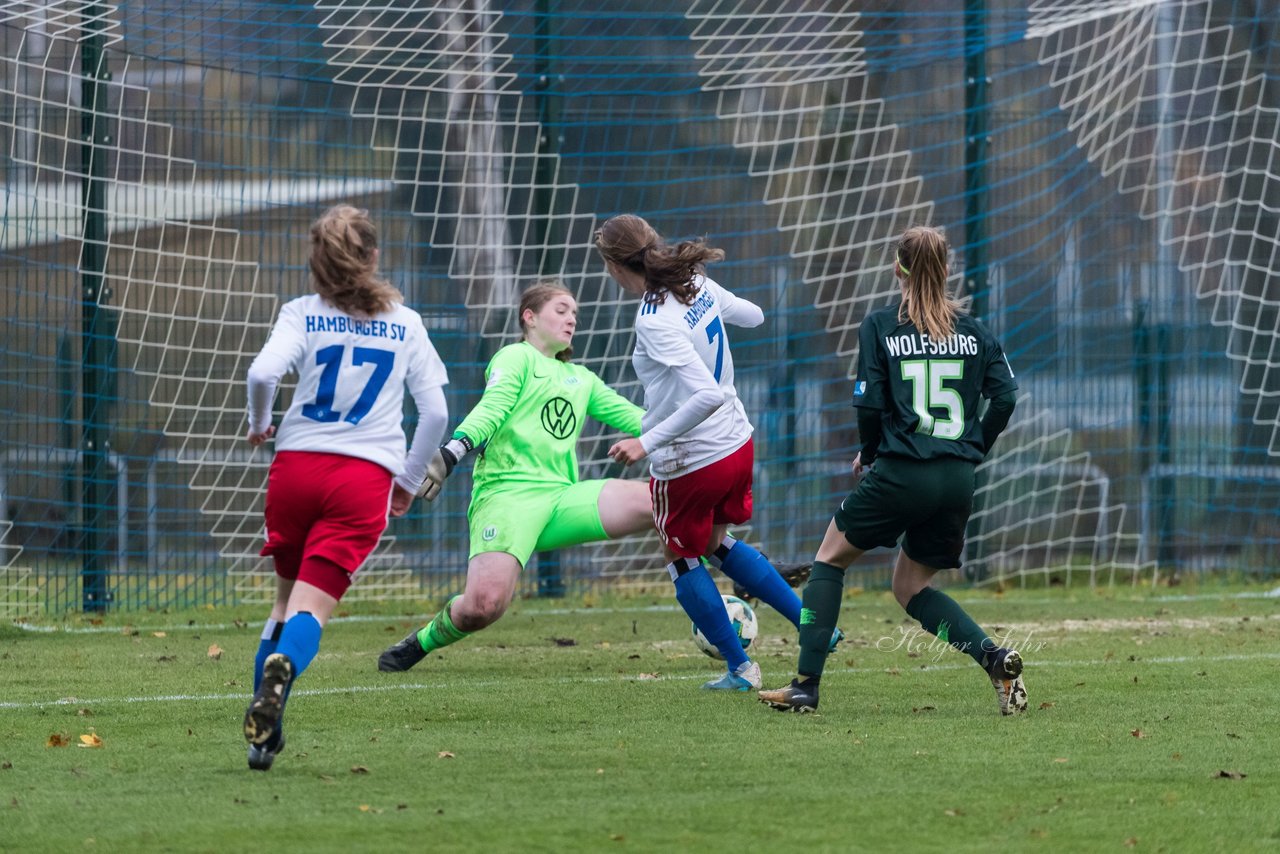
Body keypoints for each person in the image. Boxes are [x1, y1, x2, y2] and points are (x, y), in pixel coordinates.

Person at [758, 224, 1024, 715]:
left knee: (830, 558)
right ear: (947, 271)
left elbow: (869, 405)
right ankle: (993, 658)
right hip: (957, 480)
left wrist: (871, 452)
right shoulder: (975, 332)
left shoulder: (881, 326)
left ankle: (805, 684)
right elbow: (1006, 397)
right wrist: (973, 450)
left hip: (904, 471)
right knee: (911, 587)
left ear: (897, 269)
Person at [241, 205, 450, 770]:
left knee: (284, 600)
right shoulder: (405, 322)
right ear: (374, 257)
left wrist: (261, 423)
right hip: (362, 479)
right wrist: (407, 481)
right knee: (311, 608)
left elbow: (262, 374)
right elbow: (435, 414)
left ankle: (263, 732)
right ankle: (281, 675)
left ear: (316, 264)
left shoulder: (301, 313)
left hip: (296, 470)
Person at [595, 214, 842, 691]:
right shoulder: (693, 281)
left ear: (613, 265)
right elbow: (754, 315)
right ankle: (817, 626)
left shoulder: (653, 318)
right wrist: (713, 304)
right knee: (712, 543)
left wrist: (643, 442)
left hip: (692, 459)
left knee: (680, 555)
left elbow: (705, 395)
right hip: (738, 444)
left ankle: (741, 668)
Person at [376, 281, 656, 671]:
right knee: (482, 607)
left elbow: (642, 421)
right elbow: (493, 407)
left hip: (563, 499)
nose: (572, 318)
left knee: (663, 503)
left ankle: (747, 562)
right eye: (561, 309)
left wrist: (699, 430)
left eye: (574, 312)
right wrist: (453, 451)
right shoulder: (516, 358)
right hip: (507, 499)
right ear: (530, 317)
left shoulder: (583, 380)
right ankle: (421, 641)